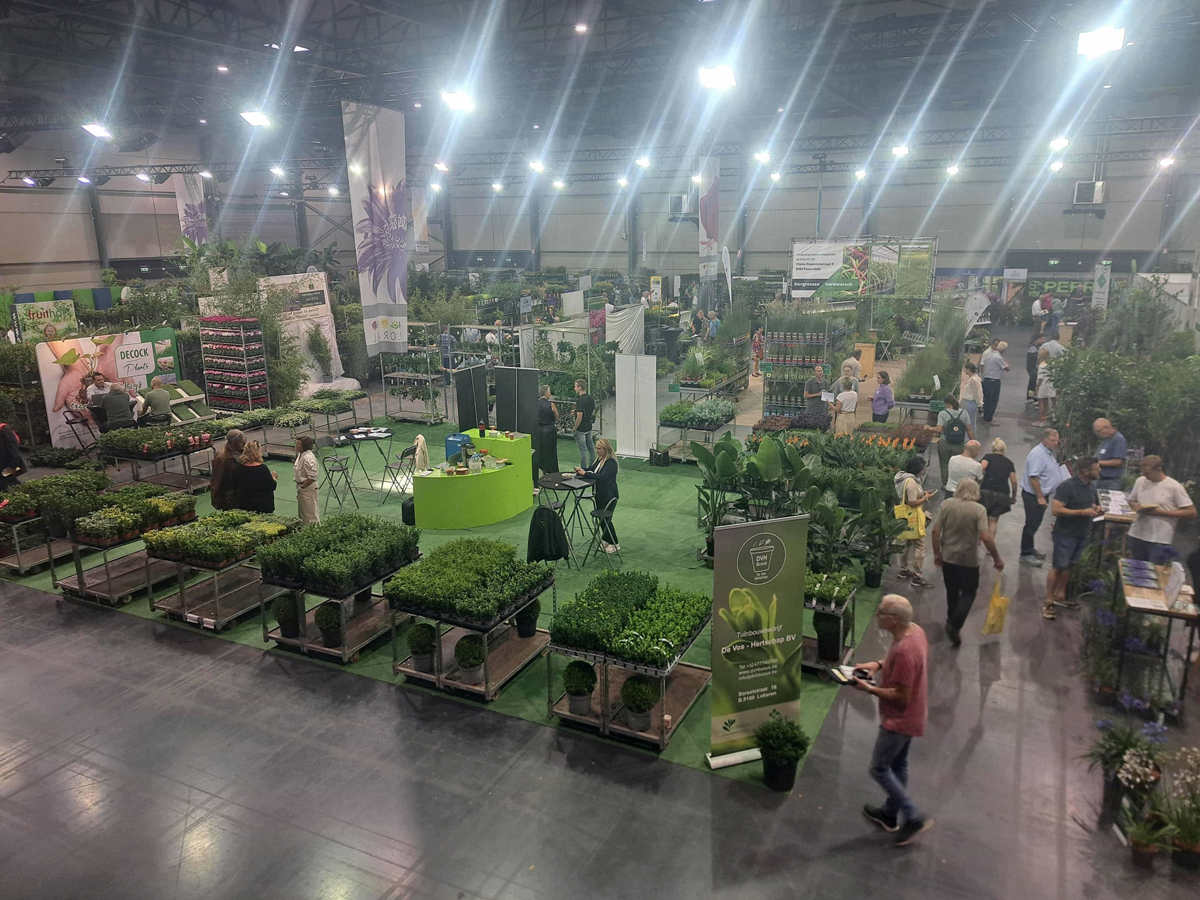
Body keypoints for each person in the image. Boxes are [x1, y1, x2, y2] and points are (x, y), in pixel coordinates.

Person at [852, 595, 933, 846]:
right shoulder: (915, 632)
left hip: (898, 721)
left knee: (879, 768)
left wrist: (868, 689)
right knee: (899, 765)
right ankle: (889, 814)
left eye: (881, 613)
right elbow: (899, 664)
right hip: (915, 715)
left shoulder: (904, 650)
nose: (877, 615)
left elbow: (900, 696)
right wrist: (877, 665)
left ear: (894, 620)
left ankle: (912, 816)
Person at [931, 479, 1004, 646]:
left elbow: (935, 531)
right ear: (976, 492)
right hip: (969, 560)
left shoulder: (947, 504)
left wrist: (936, 553)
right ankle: (955, 625)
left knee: (952, 590)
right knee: (969, 592)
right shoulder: (979, 510)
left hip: (948, 557)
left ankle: (951, 619)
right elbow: (985, 537)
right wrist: (996, 558)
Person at [1044, 457, 1103, 620]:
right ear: (1085, 471)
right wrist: (1081, 512)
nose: (1099, 471)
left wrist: (1094, 508)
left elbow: (1088, 504)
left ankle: (1060, 595)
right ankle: (1048, 600)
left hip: (1082, 533)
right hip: (1065, 534)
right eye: (1096, 468)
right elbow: (1056, 510)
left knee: (1070, 565)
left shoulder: (1091, 486)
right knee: (1058, 566)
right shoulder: (1067, 486)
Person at [1127, 455, 1197, 562]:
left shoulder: (1174, 487)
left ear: (1158, 469)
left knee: (1156, 572)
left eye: (1148, 473)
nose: (1144, 476)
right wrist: (1136, 507)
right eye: (1143, 472)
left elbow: (1191, 512)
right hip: (1137, 533)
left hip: (1159, 538)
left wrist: (1160, 513)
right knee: (1137, 568)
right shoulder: (1141, 481)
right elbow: (1131, 500)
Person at [1019, 428, 1063, 566]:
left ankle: (1030, 549)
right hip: (1034, 497)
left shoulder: (1048, 452)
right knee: (1031, 524)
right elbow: (1034, 477)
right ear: (1044, 440)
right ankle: (1025, 553)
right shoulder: (1038, 455)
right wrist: (1040, 497)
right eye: (1052, 440)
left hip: (1042, 495)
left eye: (1057, 440)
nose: (1055, 443)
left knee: (1035, 523)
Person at [895, 456, 936, 589]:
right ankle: (917, 576)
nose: (925, 470)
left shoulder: (903, 479)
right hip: (913, 517)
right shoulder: (911, 483)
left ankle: (903, 569)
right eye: (923, 468)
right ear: (918, 469)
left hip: (904, 518)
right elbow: (911, 502)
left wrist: (923, 493)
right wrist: (925, 498)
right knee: (919, 546)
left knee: (905, 543)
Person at [576, 437, 619, 552]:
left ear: (605, 449)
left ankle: (615, 543)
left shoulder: (611, 462)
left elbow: (602, 477)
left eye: (599, 449)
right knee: (601, 519)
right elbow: (591, 469)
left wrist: (585, 473)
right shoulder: (600, 460)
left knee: (606, 519)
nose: (596, 451)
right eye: (596, 448)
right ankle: (606, 539)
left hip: (609, 495)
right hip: (599, 494)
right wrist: (582, 470)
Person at [979, 438, 1018, 537]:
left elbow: (982, 468)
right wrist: (1013, 496)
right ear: (1004, 449)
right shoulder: (1009, 463)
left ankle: (979, 539)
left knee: (982, 517)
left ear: (992, 448)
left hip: (986, 490)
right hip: (1002, 493)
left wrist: (979, 481)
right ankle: (990, 546)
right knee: (993, 520)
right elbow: (1014, 481)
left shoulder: (988, 457)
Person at [934, 395, 972, 488]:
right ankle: (957, 483)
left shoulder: (943, 413)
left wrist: (929, 428)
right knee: (958, 464)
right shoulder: (964, 413)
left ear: (947, 404)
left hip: (945, 442)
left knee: (944, 463)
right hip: (959, 443)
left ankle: (945, 483)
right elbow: (969, 429)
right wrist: (973, 441)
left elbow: (939, 429)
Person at [231, 440, 277, 513]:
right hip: (262, 505)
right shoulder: (262, 469)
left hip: (244, 503)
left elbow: (233, 484)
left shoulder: (238, 467)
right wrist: (273, 478)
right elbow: (271, 486)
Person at [210, 429, 246, 511]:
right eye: (241, 442)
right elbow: (216, 480)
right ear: (232, 443)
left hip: (241, 493)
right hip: (229, 497)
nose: (244, 444)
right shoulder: (221, 457)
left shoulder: (242, 450)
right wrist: (215, 498)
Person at [292, 435, 320, 525]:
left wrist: (303, 487)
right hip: (302, 486)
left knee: (310, 514)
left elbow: (312, 477)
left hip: (307, 488)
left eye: (298, 444)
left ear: (305, 446)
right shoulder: (301, 454)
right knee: (303, 513)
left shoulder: (308, 458)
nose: (296, 445)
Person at [1092, 418, 1127, 488]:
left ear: (1106, 428)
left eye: (1098, 431)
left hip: (1110, 482)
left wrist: (1097, 462)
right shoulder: (1106, 439)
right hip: (1100, 480)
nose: (1098, 434)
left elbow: (1118, 462)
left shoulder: (1118, 440)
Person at [980, 340, 1009, 423]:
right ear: (1003, 350)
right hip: (994, 381)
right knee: (993, 400)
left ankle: (985, 416)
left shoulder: (989, 355)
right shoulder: (999, 358)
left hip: (987, 380)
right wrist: (1007, 362)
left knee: (987, 399)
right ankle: (989, 418)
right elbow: (1007, 369)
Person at [572, 379, 596, 468]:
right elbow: (592, 412)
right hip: (588, 427)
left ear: (580, 388)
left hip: (581, 429)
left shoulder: (580, 400)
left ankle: (583, 470)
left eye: (575, 386)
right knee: (591, 449)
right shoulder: (590, 398)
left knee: (583, 451)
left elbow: (579, 417)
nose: (574, 388)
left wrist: (574, 428)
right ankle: (593, 467)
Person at [536, 385, 559, 476]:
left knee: (540, 451)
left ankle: (543, 471)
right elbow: (557, 417)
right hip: (549, 431)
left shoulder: (534, 404)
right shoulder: (551, 404)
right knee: (550, 452)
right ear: (546, 393)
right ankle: (552, 472)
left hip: (538, 430)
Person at [1033, 347, 1055, 427]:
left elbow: (1040, 378)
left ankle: (1041, 420)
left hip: (1042, 386)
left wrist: (1037, 388)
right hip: (1049, 385)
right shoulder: (1051, 364)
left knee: (1041, 403)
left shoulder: (1041, 366)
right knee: (1046, 403)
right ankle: (1045, 419)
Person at [958, 362, 983, 429]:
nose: (964, 371)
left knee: (969, 422)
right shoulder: (976, 378)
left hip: (970, 402)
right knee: (971, 422)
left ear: (968, 369)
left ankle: (969, 438)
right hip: (971, 402)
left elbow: (976, 393)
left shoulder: (973, 380)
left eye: (965, 369)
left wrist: (979, 404)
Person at [0, 420, 24, 489]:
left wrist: (13, 465)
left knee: (11, 484)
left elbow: (13, 449)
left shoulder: (4, 429)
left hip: (7, 467)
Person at [1025, 334, 1046, 400]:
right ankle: (1032, 397)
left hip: (1033, 370)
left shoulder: (1035, 347)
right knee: (1033, 384)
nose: (1044, 341)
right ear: (1037, 339)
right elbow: (1033, 361)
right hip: (1033, 370)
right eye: (1043, 339)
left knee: (1032, 384)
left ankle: (1030, 397)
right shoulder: (1033, 349)